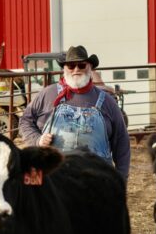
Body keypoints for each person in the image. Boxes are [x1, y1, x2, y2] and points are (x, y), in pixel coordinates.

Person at [19, 45, 131, 181]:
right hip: (56, 179)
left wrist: (121, 179)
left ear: (90, 67)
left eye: (81, 65)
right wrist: (37, 140)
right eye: (71, 66)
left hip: (97, 179)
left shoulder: (107, 101)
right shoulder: (48, 94)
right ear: (64, 69)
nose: (76, 70)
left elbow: (121, 141)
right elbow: (25, 121)